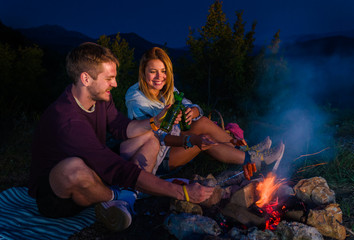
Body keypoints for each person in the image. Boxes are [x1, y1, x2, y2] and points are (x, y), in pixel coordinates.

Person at [28, 42, 215, 232]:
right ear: (86, 78)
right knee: (73, 169)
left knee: (149, 136)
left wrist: (155, 122)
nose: (115, 84)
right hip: (59, 197)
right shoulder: (66, 118)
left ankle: (126, 197)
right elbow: (111, 166)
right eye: (109, 78)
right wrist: (181, 193)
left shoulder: (100, 99)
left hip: (96, 167)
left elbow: (121, 127)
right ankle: (119, 197)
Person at [125, 47, 285, 178]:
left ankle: (247, 151)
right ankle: (255, 160)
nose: (160, 77)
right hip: (159, 159)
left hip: (176, 141)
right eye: (153, 71)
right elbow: (157, 139)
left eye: (163, 71)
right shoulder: (137, 100)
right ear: (143, 73)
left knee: (200, 122)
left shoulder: (166, 90)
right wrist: (192, 138)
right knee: (203, 139)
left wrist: (193, 111)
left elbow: (194, 107)